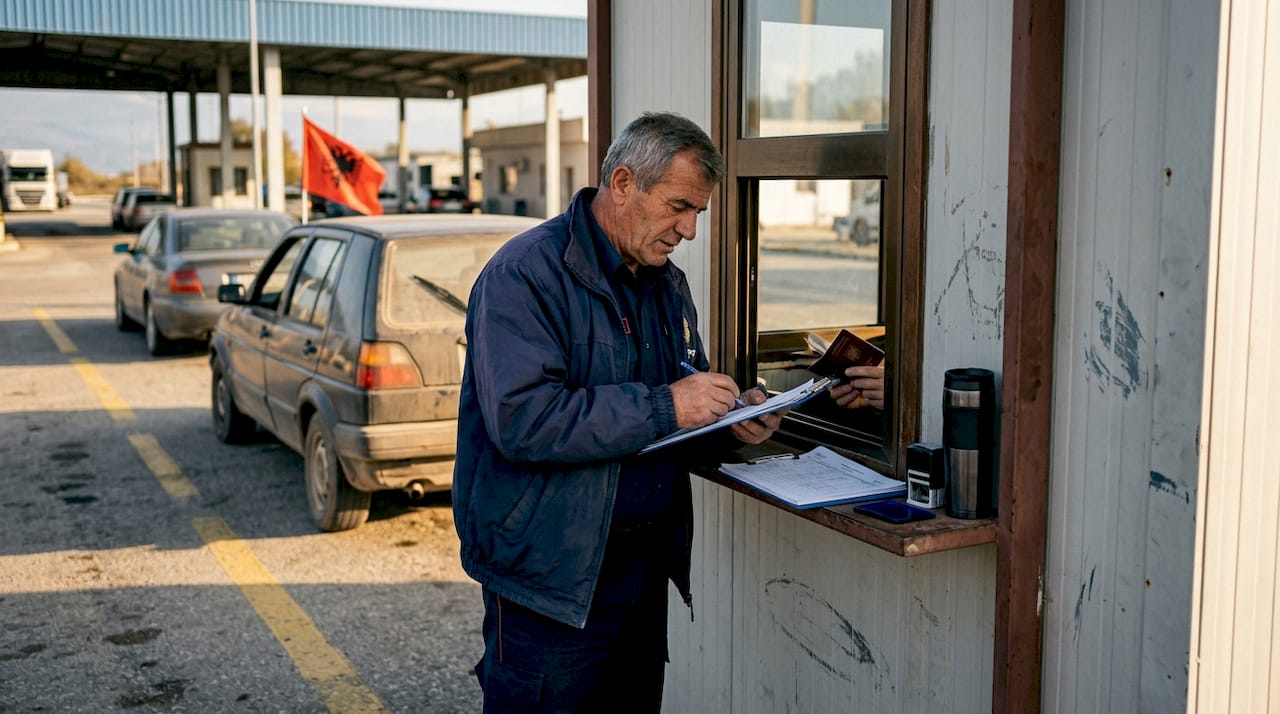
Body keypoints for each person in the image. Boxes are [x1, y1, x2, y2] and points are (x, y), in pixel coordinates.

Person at [452, 111, 786, 712]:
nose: (688, 230)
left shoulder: (665, 282)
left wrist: (732, 423)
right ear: (624, 183)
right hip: (549, 581)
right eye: (679, 206)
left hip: (641, 573)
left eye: (698, 213)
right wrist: (668, 405)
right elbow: (524, 421)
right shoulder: (523, 275)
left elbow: (677, 416)